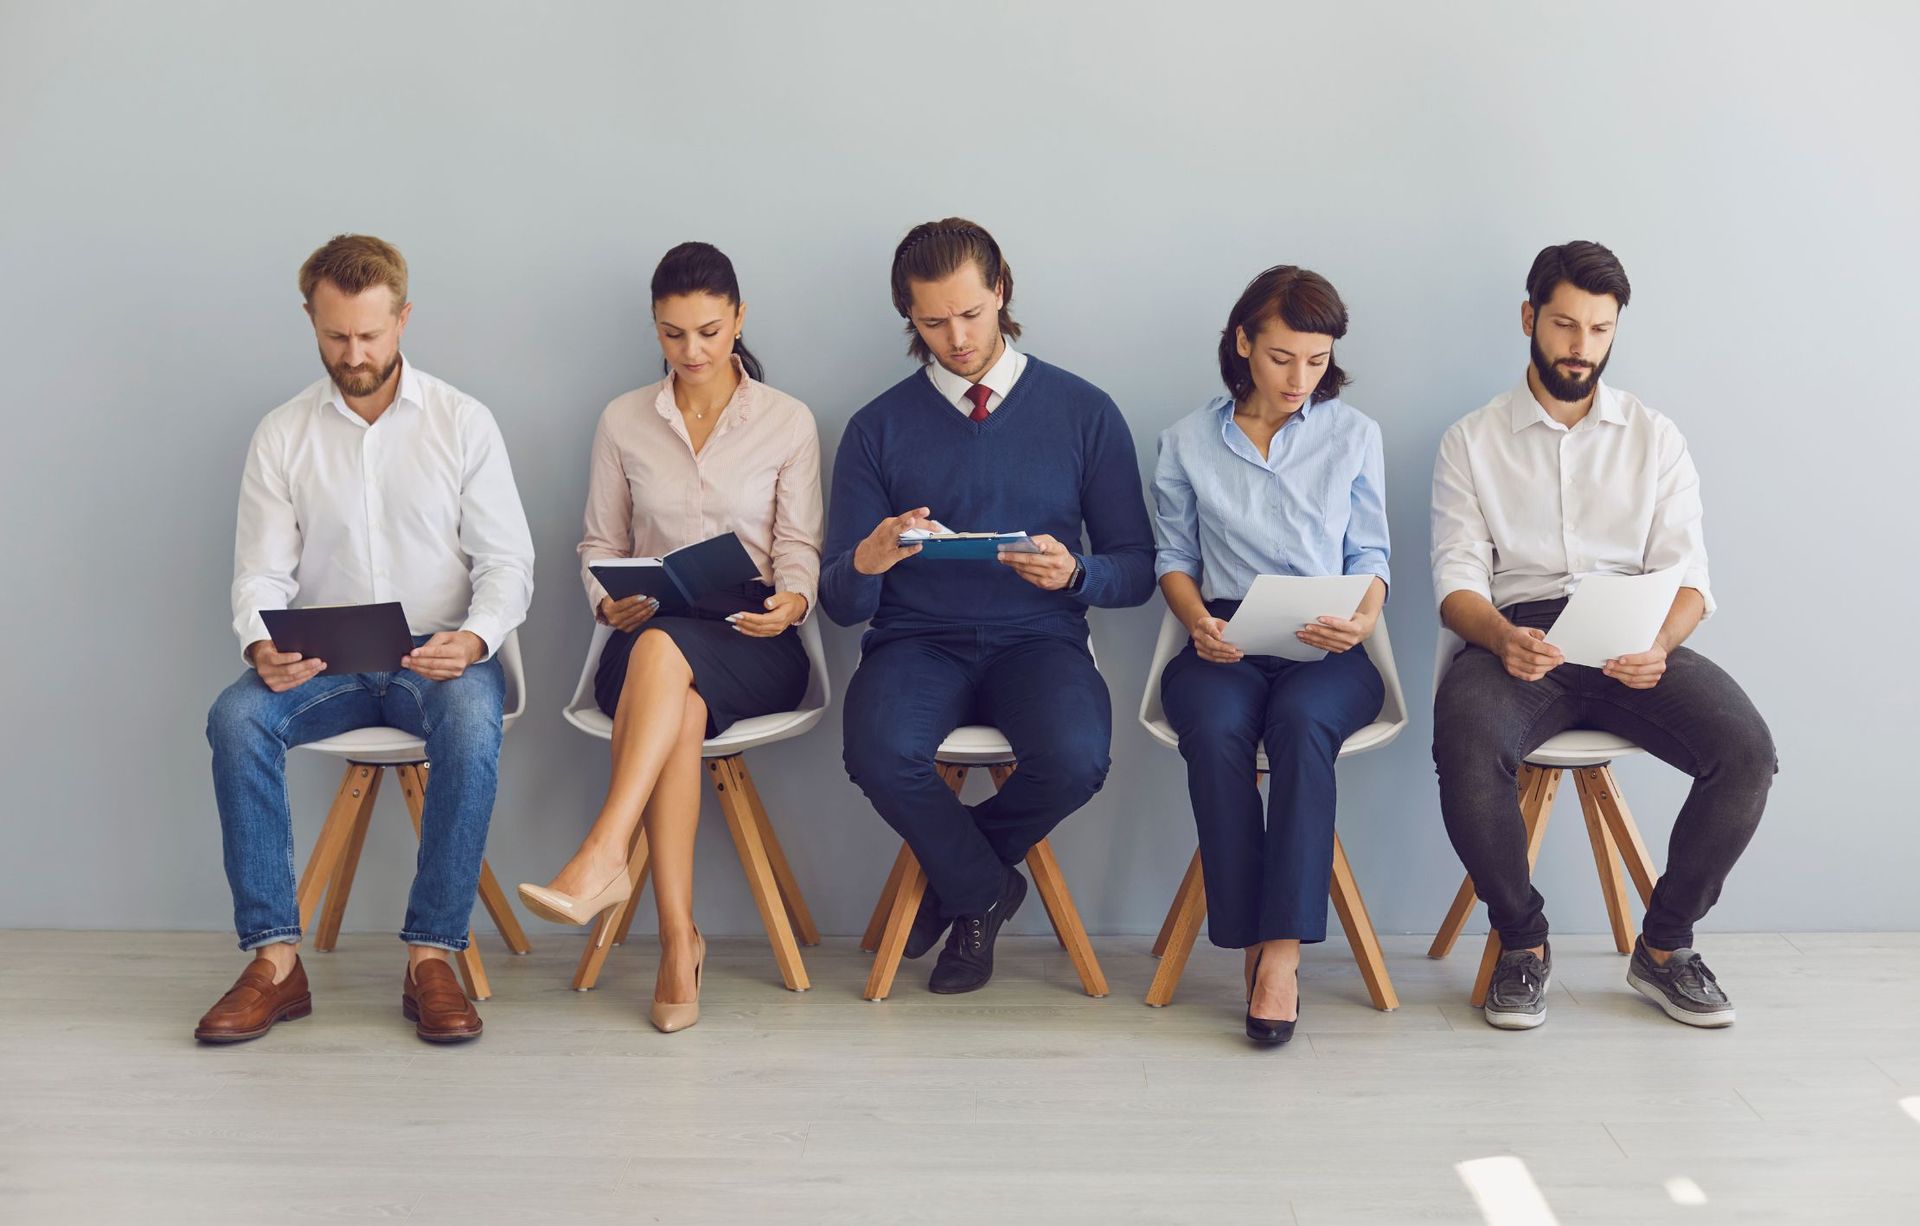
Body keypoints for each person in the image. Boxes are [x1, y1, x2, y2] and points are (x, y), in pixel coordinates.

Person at [1430, 240, 1777, 1030]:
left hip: (1633, 639)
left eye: (1598, 329)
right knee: (1465, 742)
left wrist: (1660, 644)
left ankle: (1664, 948)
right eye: (1563, 325)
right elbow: (1456, 584)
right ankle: (1523, 944)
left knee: (1747, 752)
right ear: (1529, 319)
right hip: (1517, 639)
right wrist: (1499, 637)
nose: (1580, 346)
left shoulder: (1656, 437)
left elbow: (1690, 577)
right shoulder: (1470, 441)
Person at [198, 235, 535, 1045]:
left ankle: (431, 959)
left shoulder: (463, 421)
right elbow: (259, 575)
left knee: (467, 722)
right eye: (336, 336)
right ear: (312, 321)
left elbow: (508, 563)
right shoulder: (282, 435)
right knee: (234, 719)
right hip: (327, 657)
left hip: (439, 653)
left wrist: (476, 639)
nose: (355, 355)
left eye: (371, 336)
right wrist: (258, 644)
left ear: (403, 318)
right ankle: (275, 961)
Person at [823, 217, 1155, 995]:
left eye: (971, 314)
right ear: (908, 316)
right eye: (933, 322)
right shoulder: (877, 429)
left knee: (1077, 757)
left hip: (1039, 640)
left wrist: (1075, 575)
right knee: (876, 751)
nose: (958, 338)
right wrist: (870, 557)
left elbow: (1136, 569)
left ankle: (957, 882)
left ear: (1001, 290)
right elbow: (841, 600)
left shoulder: (1084, 411)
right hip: (916, 642)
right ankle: (984, 891)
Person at [517, 242, 821, 1034]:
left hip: (752, 635)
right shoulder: (623, 419)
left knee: (671, 665)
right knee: (671, 692)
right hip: (648, 628)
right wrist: (603, 598)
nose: (693, 352)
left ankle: (603, 854)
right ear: (655, 329)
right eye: (674, 334)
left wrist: (791, 604)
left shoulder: (787, 421)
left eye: (710, 332)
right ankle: (677, 943)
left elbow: (798, 548)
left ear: (739, 319)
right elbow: (596, 543)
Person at [1152, 266, 1389, 1045]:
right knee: (1216, 730)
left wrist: (1360, 620)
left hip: (1328, 640)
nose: (1300, 378)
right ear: (1243, 342)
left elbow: (1372, 556)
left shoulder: (1353, 435)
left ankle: (1279, 956)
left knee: (1299, 726)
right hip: (1222, 633)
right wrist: (1196, 622)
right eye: (1284, 356)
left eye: (1317, 360)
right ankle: (1246, 943)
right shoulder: (1187, 440)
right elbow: (1174, 558)